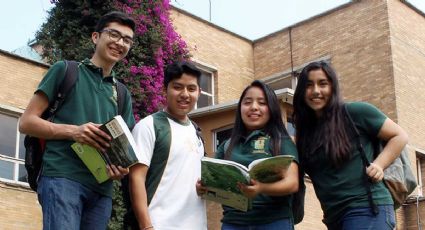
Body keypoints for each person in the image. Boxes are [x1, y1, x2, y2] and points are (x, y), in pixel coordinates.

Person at [19, 11, 136, 230]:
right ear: (95, 37)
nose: (120, 43)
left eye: (127, 40)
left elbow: (125, 150)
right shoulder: (66, 70)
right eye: (114, 34)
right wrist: (74, 131)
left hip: (102, 190)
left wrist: (121, 168)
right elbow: (26, 123)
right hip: (62, 177)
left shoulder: (122, 93)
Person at [292, 61, 409, 230]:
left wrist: (379, 164)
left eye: (323, 84)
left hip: (368, 208)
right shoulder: (305, 134)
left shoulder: (355, 112)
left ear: (333, 87)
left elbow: (400, 135)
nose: (316, 91)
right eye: (309, 85)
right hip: (334, 217)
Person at [198, 80, 300, 229]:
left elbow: (292, 183)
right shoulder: (226, 145)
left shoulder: (281, 141)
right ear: (240, 108)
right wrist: (203, 187)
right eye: (247, 102)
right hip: (233, 223)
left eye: (262, 103)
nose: (254, 107)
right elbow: (212, 180)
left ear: (272, 108)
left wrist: (261, 188)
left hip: (274, 222)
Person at [129, 61, 207, 230]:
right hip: (159, 224)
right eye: (177, 87)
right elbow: (136, 177)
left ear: (199, 93)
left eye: (191, 89)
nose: (185, 94)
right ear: (165, 90)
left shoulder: (196, 132)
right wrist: (146, 226)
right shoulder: (149, 126)